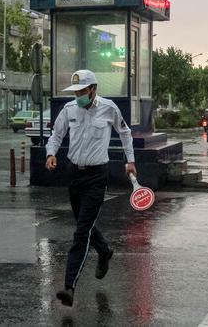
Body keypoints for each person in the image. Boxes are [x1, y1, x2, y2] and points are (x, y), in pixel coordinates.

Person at [45, 70, 137, 307]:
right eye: (75, 92)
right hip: (74, 173)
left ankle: (69, 287)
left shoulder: (109, 108)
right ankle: (104, 251)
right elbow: (56, 135)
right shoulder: (69, 110)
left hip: (97, 175)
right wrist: (51, 154)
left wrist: (131, 161)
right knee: (82, 223)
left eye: (82, 92)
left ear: (93, 89)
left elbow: (125, 132)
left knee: (81, 232)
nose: (78, 96)